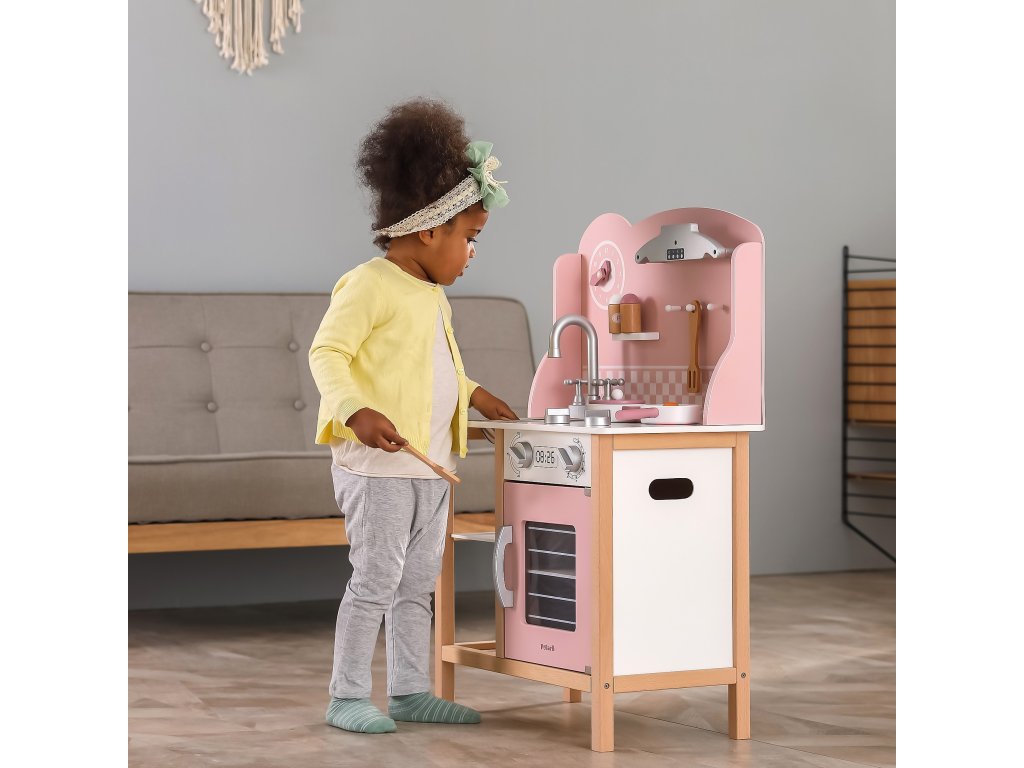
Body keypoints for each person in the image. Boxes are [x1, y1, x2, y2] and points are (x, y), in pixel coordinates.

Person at [308, 98, 518, 734]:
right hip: (379, 469)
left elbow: (427, 366)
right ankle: (347, 695)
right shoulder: (369, 283)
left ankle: (409, 691)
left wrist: (474, 394)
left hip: (431, 467)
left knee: (418, 584)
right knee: (376, 578)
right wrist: (354, 411)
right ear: (430, 231)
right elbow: (327, 353)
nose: (472, 253)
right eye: (470, 239)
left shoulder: (429, 293)